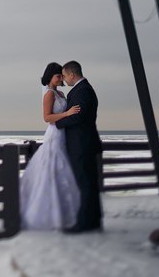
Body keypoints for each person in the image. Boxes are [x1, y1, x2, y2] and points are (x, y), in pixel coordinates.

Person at [20, 62, 82, 230]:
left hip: (65, 134)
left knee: (63, 170)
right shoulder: (49, 94)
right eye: (58, 76)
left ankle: (64, 210)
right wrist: (67, 113)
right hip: (54, 134)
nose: (61, 78)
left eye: (61, 75)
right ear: (50, 77)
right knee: (53, 170)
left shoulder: (60, 93)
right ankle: (48, 213)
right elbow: (47, 118)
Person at [56, 60, 104, 233]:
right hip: (84, 143)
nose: (64, 79)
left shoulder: (82, 91)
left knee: (85, 184)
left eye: (65, 75)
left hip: (82, 144)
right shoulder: (83, 89)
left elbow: (78, 117)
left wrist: (58, 123)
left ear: (72, 74)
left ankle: (84, 223)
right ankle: (93, 220)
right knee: (89, 183)